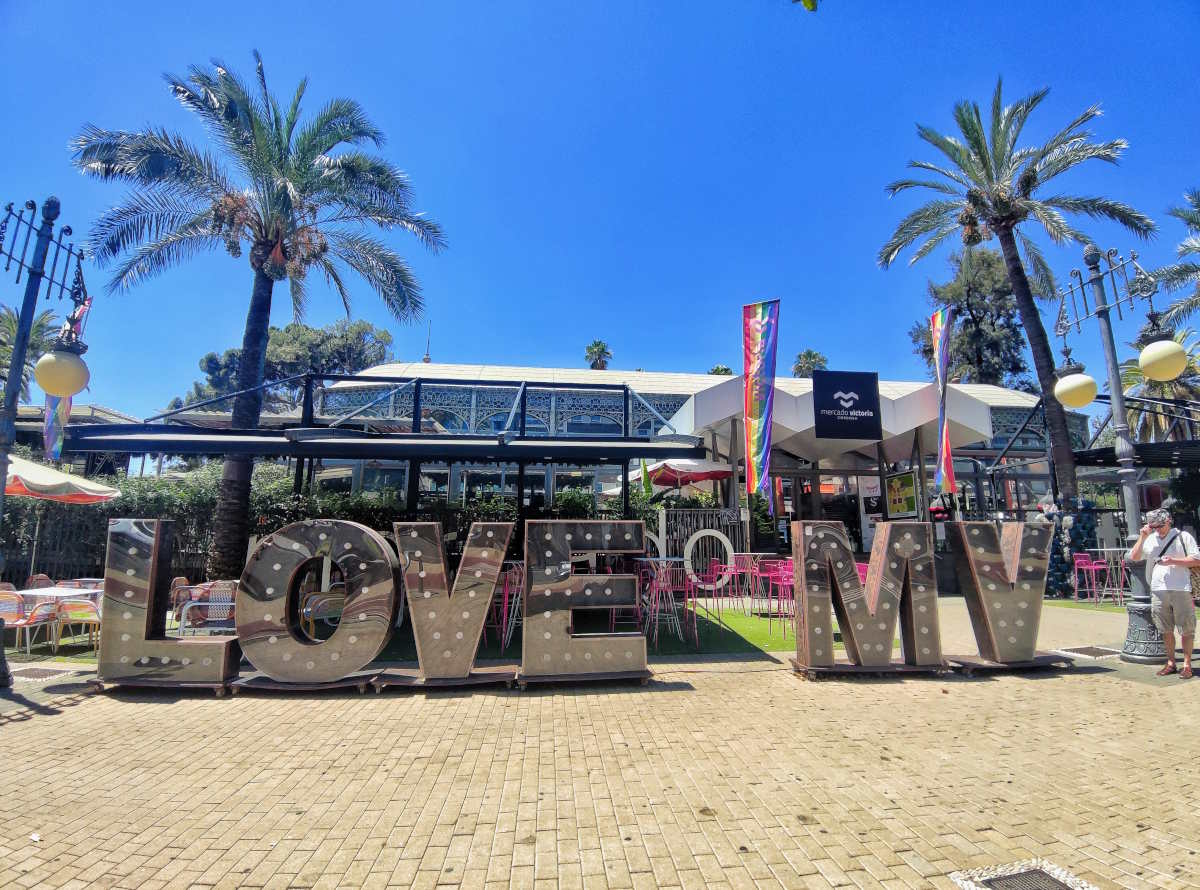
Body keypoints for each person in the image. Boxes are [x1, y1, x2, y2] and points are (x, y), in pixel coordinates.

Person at [1128, 508, 1198, 678]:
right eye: (1154, 526)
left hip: (1181, 588)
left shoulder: (1183, 536)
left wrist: (1173, 561)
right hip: (1158, 589)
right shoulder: (1150, 538)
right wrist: (1143, 536)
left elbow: (1196, 559)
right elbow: (1134, 557)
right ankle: (1171, 662)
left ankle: (1187, 665)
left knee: (1186, 628)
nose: (1157, 529)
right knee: (1165, 629)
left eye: (1160, 526)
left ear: (1168, 521)